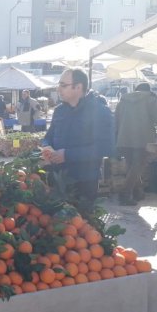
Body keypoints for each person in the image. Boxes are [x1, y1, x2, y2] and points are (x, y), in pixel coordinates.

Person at [41, 68, 115, 209]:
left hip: (84, 181)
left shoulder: (100, 112)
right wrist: (46, 147)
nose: (58, 89)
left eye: (63, 85)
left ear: (78, 87)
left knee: (81, 225)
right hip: (58, 178)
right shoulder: (59, 111)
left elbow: (105, 147)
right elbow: (48, 137)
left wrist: (67, 155)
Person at [115, 83, 157, 205]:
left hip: (124, 139)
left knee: (132, 166)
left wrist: (117, 136)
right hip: (142, 139)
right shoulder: (151, 100)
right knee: (138, 165)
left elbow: (116, 119)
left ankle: (137, 192)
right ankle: (125, 193)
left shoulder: (123, 100)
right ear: (148, 90)